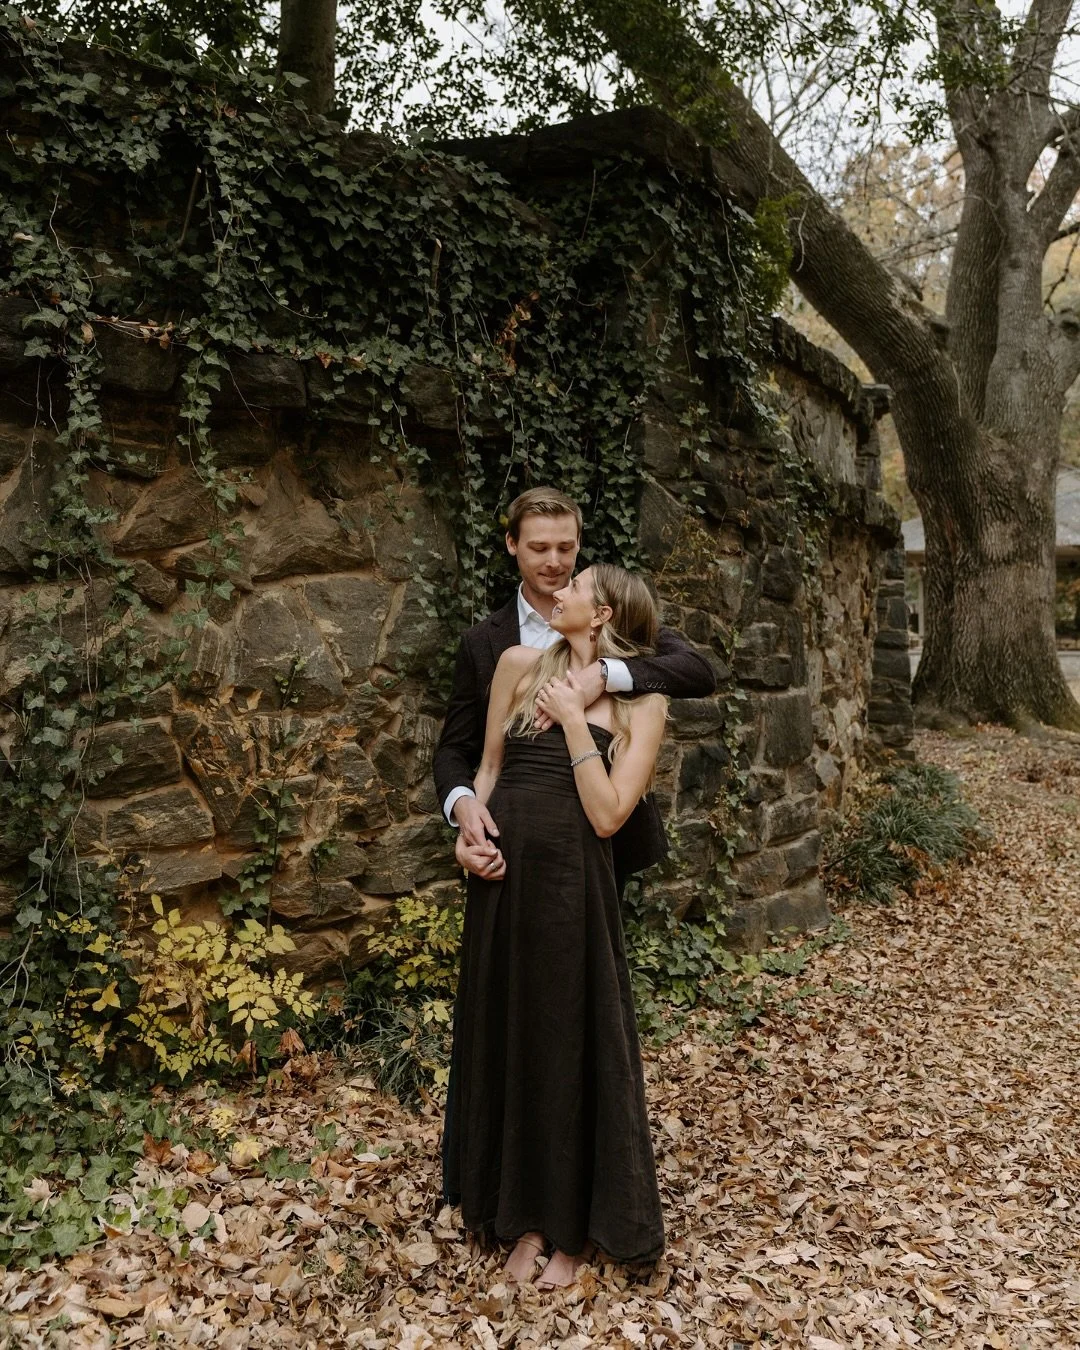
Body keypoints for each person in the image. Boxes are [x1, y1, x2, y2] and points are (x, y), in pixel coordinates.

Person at [441, 562, 670, 1288]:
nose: (559, 588)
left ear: (600, 615)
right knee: (512, 1035)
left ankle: (570, 1229)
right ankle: (523, 1215)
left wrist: (574, 720)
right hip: (504, 887)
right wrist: (467, 834)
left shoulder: (644, 703)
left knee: (568, 1043)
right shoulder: (514, 664)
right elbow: (488, 772)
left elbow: (609, 814)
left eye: (577, 586)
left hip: (575, 891)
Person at [432, 486, 717, 898]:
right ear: (512, 545)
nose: (554, 562)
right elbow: (455, 748)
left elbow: (699, 672)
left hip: (604, 845)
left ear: (578, 544)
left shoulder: (623, 621)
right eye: (539, 547)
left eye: (565, 547)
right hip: (514, 841)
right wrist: (466, 810)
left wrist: (604, 673)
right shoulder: (485, 644)